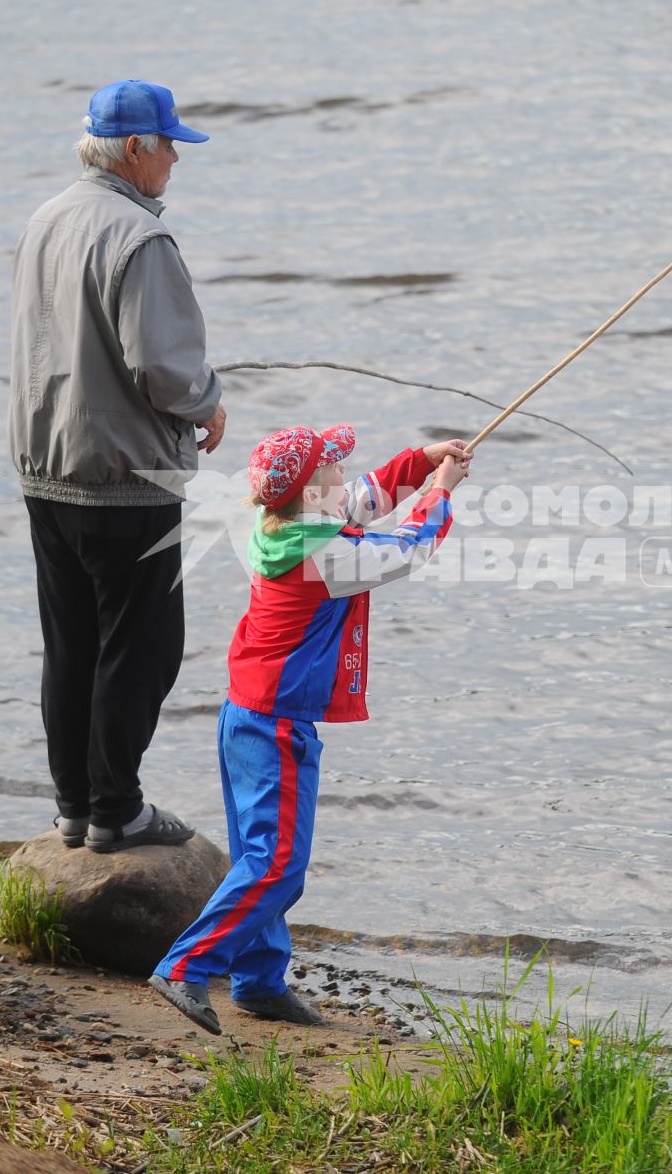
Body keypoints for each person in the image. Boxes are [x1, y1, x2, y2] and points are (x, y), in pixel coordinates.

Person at [148, 425, 472, 1030]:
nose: (343, 476)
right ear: (311, 494)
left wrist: (422, 461)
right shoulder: (324, 556)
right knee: (277, 865)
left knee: (257, 854)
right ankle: (184, 966)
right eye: (331, 470)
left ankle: (260, 983)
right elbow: (409, 548)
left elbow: (368, 496)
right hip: (275, 724)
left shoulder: (284, 524)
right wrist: (442, 491)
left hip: (246, 712)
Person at [9, 78, 227, 854]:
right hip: (126, 478)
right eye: (169, 143)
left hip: (46, 467)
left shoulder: (45, 220)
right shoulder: (142, 237)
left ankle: (75, 806)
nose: (175, 157)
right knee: (142, 646)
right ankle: (117, 810)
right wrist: (210, 406)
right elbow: (163, 371)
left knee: (70, 643)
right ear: (133, 148)